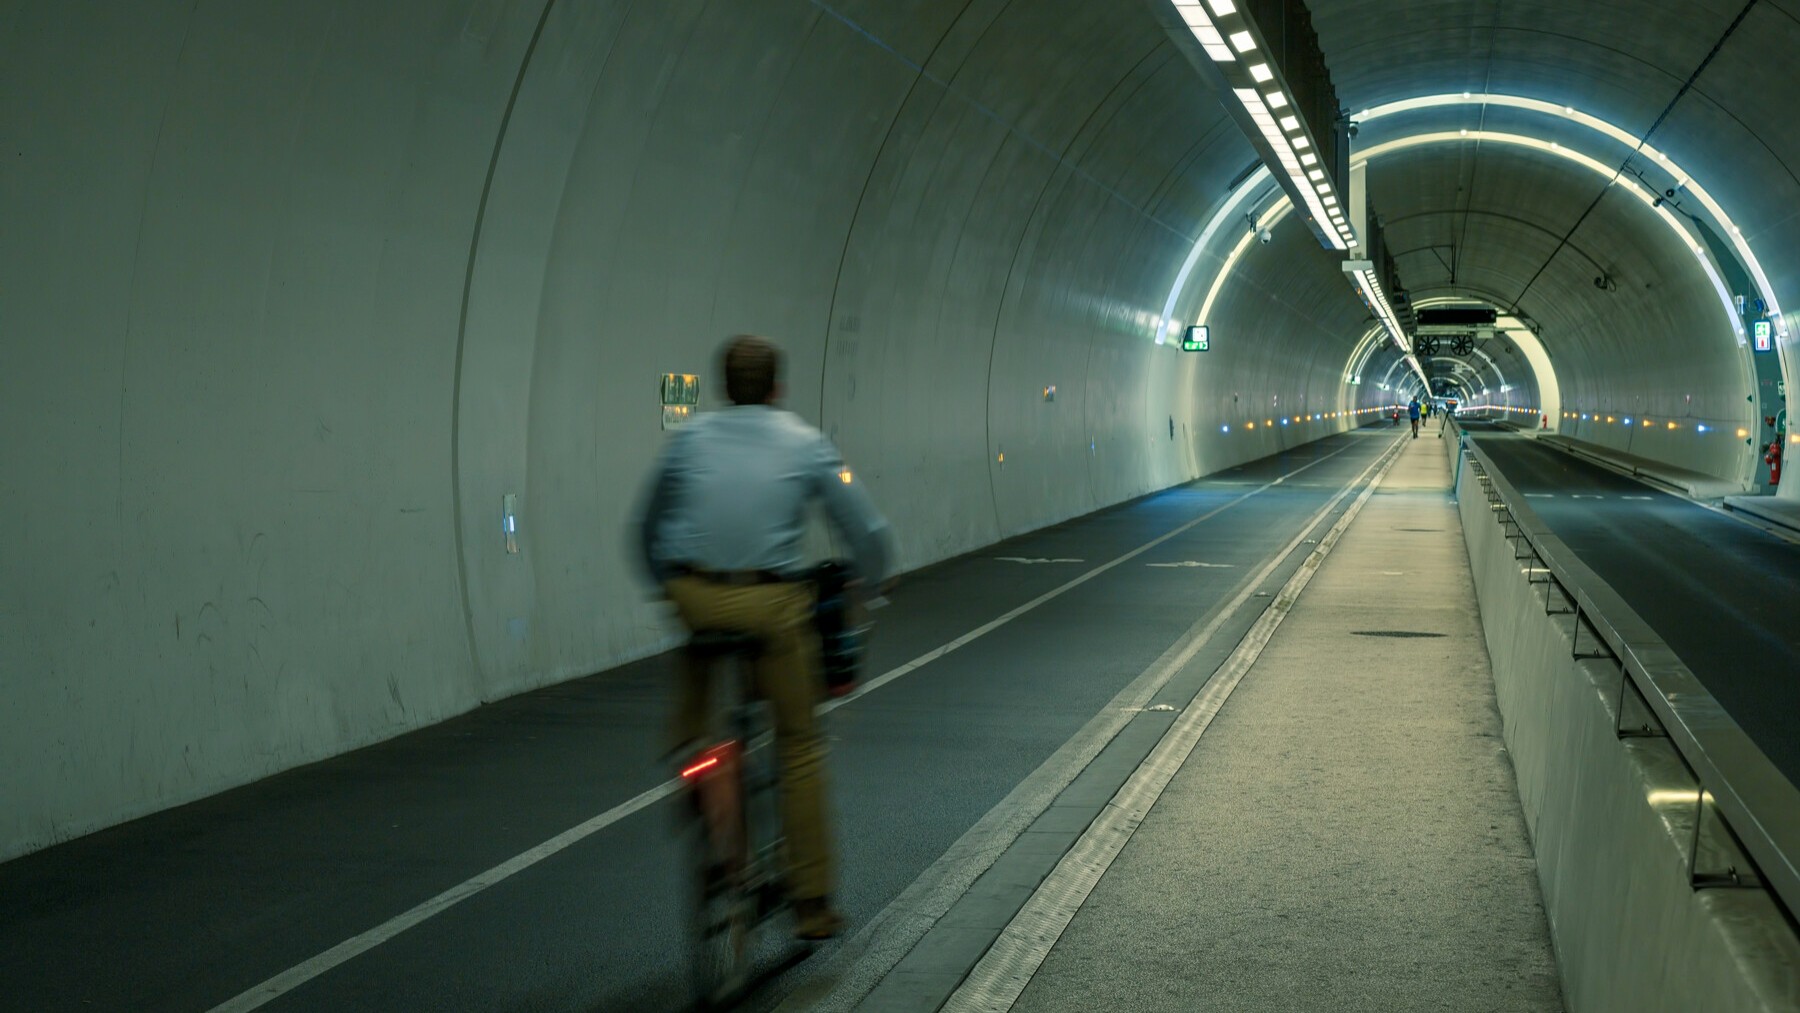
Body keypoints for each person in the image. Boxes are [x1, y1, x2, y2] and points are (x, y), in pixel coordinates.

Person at [637, 334, 892, 940]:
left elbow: (646, 529)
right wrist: (876, 582)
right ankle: (810, 902)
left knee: (696, 721)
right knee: (799, 743)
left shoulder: (690, 439)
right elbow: (865, 526)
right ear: (776, 388)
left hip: (696, 596)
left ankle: (700, 777)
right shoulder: (803, 441)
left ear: (725, 387)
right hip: (771, 604)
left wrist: (667, 589)